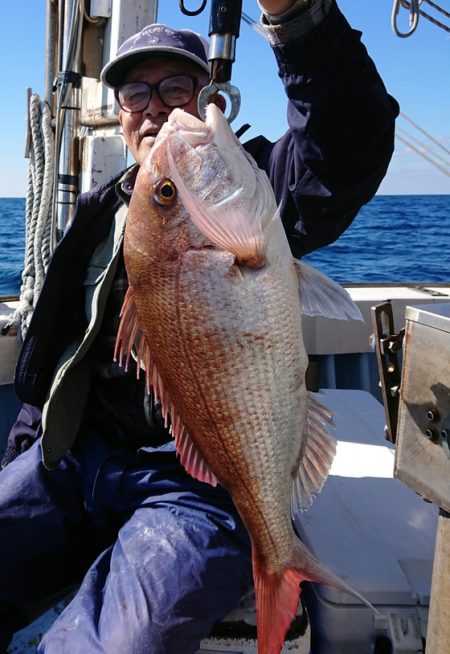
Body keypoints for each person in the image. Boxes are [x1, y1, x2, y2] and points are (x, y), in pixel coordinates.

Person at [0, 1, 399, 652]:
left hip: (199, 484)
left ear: (211, 97)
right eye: (136, 91)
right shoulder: (102, 211)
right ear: (121, 113)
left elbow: (347, 142)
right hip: (75, 462)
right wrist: (22, 462)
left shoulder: (259, 188)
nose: (155, 106)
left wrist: (295, 18)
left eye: (176, 87)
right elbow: (52, 366)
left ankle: (273, 557)